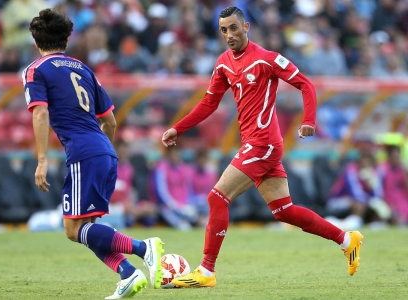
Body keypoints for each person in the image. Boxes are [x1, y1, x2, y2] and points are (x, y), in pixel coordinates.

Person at [161, 7, 363, 288]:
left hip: (263, 143)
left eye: (233, 28)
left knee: (217, 197)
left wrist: (309, 121)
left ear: (246, 27)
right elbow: (209, 103)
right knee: (284, 212)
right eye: (223, 30)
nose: (229, 35)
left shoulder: (266, 59)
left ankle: (206, 272)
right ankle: (346, 239)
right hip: (255, 144)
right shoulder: (222, 63)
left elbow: (305, 84)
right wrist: (178, 128)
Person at [24, 9, 163, 299]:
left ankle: (144, 248)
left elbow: (40, 113)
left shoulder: (36, 69)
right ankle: (128, 273)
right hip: (103, 149)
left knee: (73, 230)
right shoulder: (83, 68)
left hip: (83, 152)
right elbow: (110, 120)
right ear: (66, 38)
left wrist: (41, 160)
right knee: (86, 227)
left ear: (36, 41)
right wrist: (105, 152)